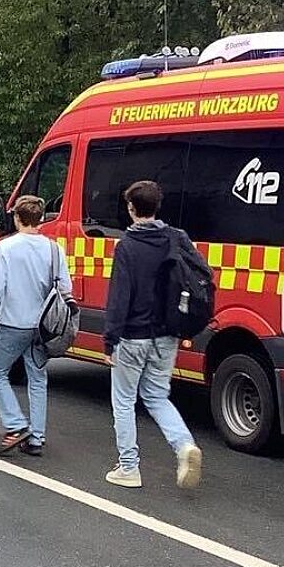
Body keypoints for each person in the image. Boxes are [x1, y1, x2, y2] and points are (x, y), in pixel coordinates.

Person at [103, 180, 203, 490]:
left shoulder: (127, 247)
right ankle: (184, 445)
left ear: (131, 209)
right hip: (167, 334)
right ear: (157, 207)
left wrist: (110, 339)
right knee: (157, 396)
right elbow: (201, 275)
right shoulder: (177, 238)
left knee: (123, 401)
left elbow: (120, 297)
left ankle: (129, 467)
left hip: (133, 336)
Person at [0, 195, 72, 456]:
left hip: (13, 322)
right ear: (41, 219)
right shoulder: (54, 249)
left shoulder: (5, 248)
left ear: (17, 218)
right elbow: (66, 288)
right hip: (43, 326)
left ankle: (16, 423)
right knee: (38, 379)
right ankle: (37, 438)